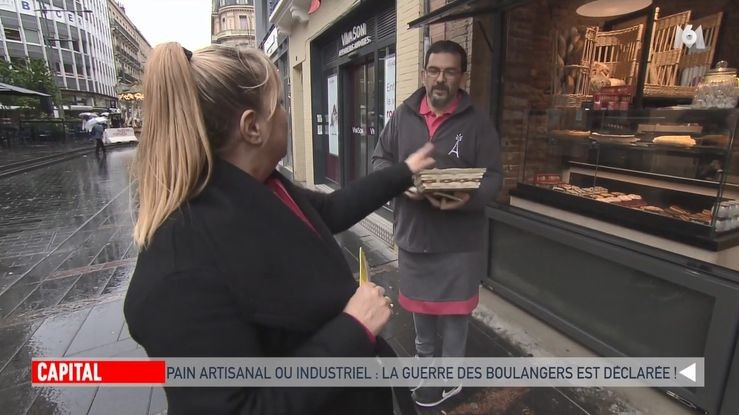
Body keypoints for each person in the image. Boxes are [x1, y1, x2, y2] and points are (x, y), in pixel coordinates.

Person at [123, 43, 435, 414]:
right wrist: (354, 327)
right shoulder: (181, 271)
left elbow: (332, 210)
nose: (288, 114)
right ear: (253, 127)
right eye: (282, 103)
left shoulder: (266, 186)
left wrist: (405, 171)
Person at [372, 40, 503, 408]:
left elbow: (494, 178)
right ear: (424, 72)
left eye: (449, 71)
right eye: (434, 70)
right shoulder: (404, 115)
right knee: (421, 312)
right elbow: (380, 161)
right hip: (415, 235)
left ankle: (452, 376)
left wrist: (469, 198)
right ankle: (425, 364)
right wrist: (401, 181)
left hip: (460, 241)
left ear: (462, 76)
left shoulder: (477, 122)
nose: (440, 78)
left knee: (455, 316)